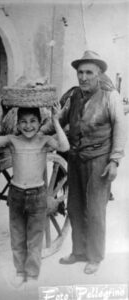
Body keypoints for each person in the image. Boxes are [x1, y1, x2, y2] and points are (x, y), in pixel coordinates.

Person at [0, 101, 69, 288]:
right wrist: (0, 114)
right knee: (17, 237)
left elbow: (64, 146)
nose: (28, 126)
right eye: (23, 121)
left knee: (34, 238)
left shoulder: (44, 141)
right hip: (16, 195)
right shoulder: (13, 140)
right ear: (17, 124)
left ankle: (32, 274)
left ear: (40, 123)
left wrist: (55, 120)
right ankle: (20, 271)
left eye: (33, 121)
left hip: (37, 196)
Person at [57, 50, 127, 274]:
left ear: (98, 74)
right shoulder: (74, 96)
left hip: (99, 161)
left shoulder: (110, 97)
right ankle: (79, 252)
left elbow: (120, 128)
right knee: (75, 208)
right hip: (76, 159)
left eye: (89, 72)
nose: (83, 77)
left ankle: (95, 256)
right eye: (80, 72)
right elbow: (60, 120)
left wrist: (114, 161)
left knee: (95, 210)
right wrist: (39, 132)